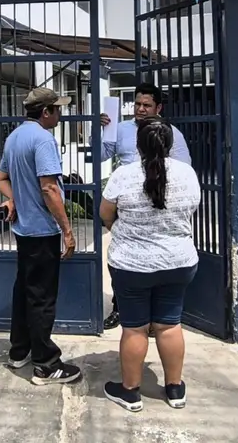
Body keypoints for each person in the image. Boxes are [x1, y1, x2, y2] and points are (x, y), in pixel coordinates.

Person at [98, 117, 201, 412]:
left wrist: (119, 225)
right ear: (169, 145)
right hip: (178, 262)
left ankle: (130, 392)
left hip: (131, 264)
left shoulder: (124, 175)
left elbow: (106, 213)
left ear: (138, 145)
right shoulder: (187, 173)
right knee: (169, 325)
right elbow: (191, 208)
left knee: (134, 329)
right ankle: (175, 389)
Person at [0, 87, 82, 385]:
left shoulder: (14, 137)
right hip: (42, 230)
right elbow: (48, 188)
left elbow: (1, 178)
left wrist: (14, 198)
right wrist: (67, 231)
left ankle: (19, 351)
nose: (60, 113)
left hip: (23, 231)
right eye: (57, 108)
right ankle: (46, 364)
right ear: (46, 112)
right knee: (42, 297)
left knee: (25, 291)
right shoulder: (43, 140)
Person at [97, 82, 191, 330]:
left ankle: (154, 319)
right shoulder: (121, 129)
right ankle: (123, 309)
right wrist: (102, 130)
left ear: (158, 107)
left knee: (155, 262)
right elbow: (100, 156)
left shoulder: (172, 133)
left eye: (146, 105)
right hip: (127, 203)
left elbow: (183, 169)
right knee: (127, 258)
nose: (140, 109)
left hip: (159, 204)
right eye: (137, 104)